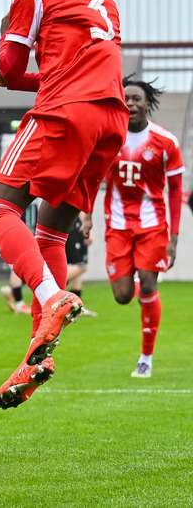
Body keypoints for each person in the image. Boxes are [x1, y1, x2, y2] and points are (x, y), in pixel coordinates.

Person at [0, 0, 127, 409]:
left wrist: (5, 47)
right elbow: (66, 70)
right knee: (51, 234)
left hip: (64, 113)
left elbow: (19, 66)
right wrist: (12, 78)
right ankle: (38, 355)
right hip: (110, 117)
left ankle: (49, 295)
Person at [99, 76, 184, 378]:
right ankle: (142, 294)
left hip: (152, 226)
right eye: (126, 98)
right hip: (117, 227)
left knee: (149, 284)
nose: (130, 103)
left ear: (148, 104)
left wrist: (174, 238)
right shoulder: (109, 138)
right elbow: (92, 177)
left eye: (136, 98)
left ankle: (146, 358)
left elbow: (175, 190)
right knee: (123, 296)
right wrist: (85, 218)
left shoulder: (165, 142)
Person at [66, 213, 97, 318]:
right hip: (76, 227)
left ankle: (76, 307)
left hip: (69, 226)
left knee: (77, 266)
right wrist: (87, 227)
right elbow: (80, 208)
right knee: (81, 266)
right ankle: (51, 289)